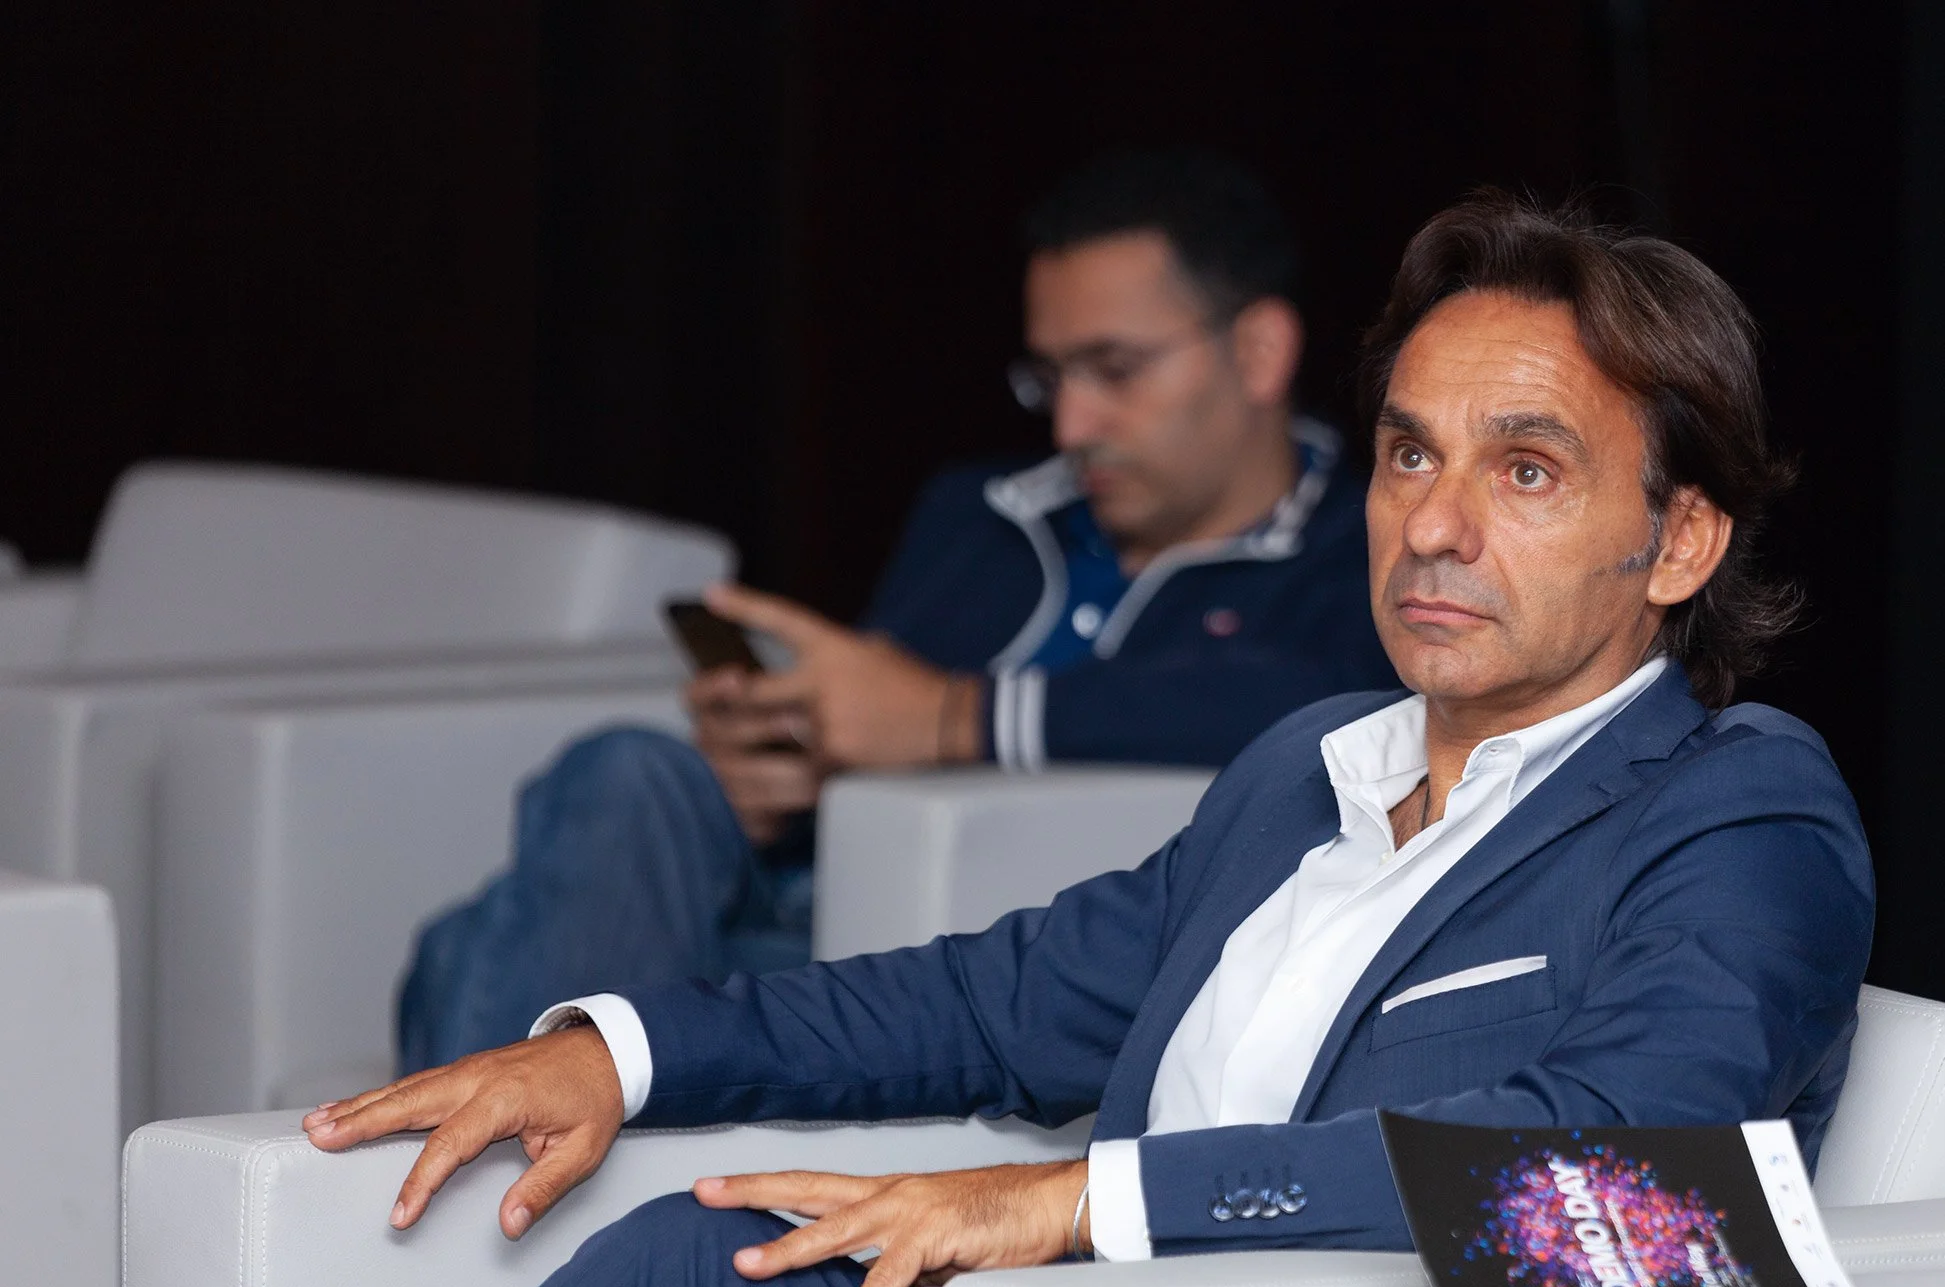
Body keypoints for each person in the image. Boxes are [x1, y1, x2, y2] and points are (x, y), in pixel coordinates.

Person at [312, 191, 1872, 1287]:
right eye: (1409, 454)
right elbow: (995, 999)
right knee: (701, 1260)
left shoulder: (1741, 806)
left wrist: (1068, 1202)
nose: (1436, 525)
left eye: (1525, 472)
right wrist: (618, 1049)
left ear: (1676, 545)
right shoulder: (1314, 767)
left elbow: (1609, 1168)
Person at [395, 148, 1395, 1071]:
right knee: (632, 774)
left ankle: (465, 1049)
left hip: (985, 974)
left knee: (472, 949)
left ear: (1259, 351)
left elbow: (1332, 710)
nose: (1071, 422)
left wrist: (952, 716)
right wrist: (784, 763)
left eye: (1116, 370)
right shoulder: (982, 510)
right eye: (1051, 376)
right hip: (802, 909)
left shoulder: (1364, 550)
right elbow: (871, 734)